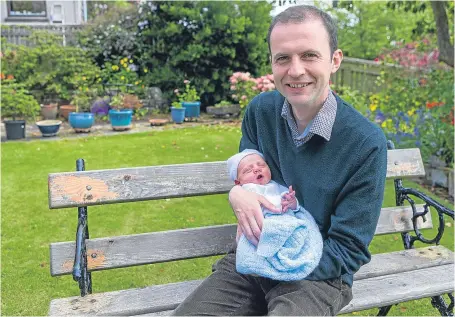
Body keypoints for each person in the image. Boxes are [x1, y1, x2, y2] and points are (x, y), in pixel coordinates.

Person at [173, 4, 387, 316]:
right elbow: (249, 180)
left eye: (309, 55)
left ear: (335, 60)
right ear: (272, 64)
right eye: (283, 58)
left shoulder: (365, 144)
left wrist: (278, 264)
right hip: (254, 259)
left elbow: (348, 250)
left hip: (318, 271)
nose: (296, 70)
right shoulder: (261, 112)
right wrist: (238, 193)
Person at [227, 148, 323, 281]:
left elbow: (295, 208)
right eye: (248, 170)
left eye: (261, 165)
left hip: (285, 220)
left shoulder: (276, 186)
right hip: (263, 226)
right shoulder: (247, 190)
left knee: (298, 233)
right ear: (238, 182)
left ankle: (291, 256)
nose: (256, 169)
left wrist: (291, 201)